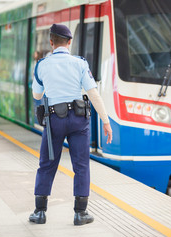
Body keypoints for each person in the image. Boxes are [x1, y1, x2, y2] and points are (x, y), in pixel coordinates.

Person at [29, 24, 113, 226]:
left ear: (51, 42)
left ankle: (40, 212)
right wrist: (106, 121)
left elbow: (37, 95)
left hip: (53, 120)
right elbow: (93, 94)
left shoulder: (41, 65)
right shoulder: (80, 63)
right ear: (69, 42)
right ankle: (80, 213)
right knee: (81, 165)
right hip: (78, 119)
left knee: (47, 165)